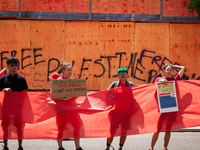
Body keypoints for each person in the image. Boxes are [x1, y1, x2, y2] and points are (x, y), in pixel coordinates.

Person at [149, 64, 185, 150]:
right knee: (157, 129)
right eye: (167, 69)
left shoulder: (174, 79)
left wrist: (172, 65)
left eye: (171, 70)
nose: (169, 71)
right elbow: (153, 87)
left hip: (172, 108)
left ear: (173, 72)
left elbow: (183, 68)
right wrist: (161, 81)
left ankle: (165, 148)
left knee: (168, 130)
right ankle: (151, 148)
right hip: (161, 109)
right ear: (163, 71)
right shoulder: (158, 79)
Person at [53, 60, 83, 150]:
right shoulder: (58, 81)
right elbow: (53, 96)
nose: (70, 72)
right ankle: (60, 147)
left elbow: (77, 93)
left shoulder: (73, 81)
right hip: (61, 109)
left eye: (71, 70)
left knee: (77, 127)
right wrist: (64, 99)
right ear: (63, 71)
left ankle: (78, 147)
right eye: (68, 70)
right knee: (61, 128)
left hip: (72, 109)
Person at [0, 56, 28, 150]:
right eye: (12, 65)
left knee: (19, 127)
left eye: (16, 65)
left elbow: (25, 93)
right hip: (6, 107)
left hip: (18, 108)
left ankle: (20, 146)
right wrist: (4, 89)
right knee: (6, 127)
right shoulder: (3, 79)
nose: (15, 66)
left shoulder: (21, 79)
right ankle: (5, 146)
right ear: (8, 66)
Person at [105, 68, 134, 150]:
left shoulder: (131, 85)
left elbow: (137, 95)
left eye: (124, 73)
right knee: (112, 131)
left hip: (127, 113)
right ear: (118, 75)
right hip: (115, 112)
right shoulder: (114, 84)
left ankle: (120, 148)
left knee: (124, 131)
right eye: (120, 73)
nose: (122, 75)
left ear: (127, 75)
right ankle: (107, 147)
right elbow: (106, 94)